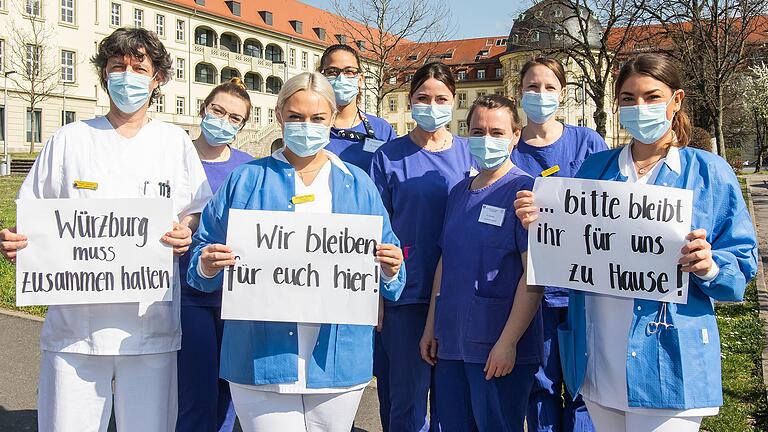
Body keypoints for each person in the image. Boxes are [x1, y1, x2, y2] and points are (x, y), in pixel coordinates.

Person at [514, 53, 758, 432]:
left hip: (667, 363)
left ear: (676, 101)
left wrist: (710, 266)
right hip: (597, 363)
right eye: (628, 98)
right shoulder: (597, 169)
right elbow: (572, 242)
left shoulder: (708, 173)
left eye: (651, 96)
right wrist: (542, 224)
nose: (639, 107)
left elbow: (742, 264)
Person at [0, 27, 212, 431]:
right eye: (118, 67)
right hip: (76, 328)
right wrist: (15, 241)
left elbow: (195, 211)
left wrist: (186, 230)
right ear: (104, 75)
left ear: (157, 79)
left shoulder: (174, 143)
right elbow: (33, 215)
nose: (127, 76)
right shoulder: (69, 139)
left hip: (149, 325)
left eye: (139, 67)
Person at [186, 71, 406, 432]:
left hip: (337, 359)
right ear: (278, 117)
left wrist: (391, 267)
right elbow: (200, 264)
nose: (307, 126)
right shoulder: (245, 180)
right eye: (296, 117)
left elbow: (393, 272)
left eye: (317, 118)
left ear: (332, 119)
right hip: (259, 357)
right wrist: (208, 264)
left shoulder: (358, 185)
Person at [420, 95, 544, 431]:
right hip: (452, 343)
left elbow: (534, 275)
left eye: (497, 132)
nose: (486, 139)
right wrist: (432, 325)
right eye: (478, 131)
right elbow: (447, 263)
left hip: (496, 347)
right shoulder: (459, 192)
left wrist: (508, 343)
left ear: (515, 136)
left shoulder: (526, 193)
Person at [370, 61, 475, 432]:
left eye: (441, 98)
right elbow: (375, 228)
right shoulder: (388, 156)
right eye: (423, 97)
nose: (432, 105)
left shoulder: (471, 153)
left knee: (453, 402)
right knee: (407, 400)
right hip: (407, 294)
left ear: (453, 101)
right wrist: (378, 298)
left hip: (461, 294)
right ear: (411, 100)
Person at [511, 57, 606, 432]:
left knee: (587, 387)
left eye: (549, 87)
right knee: (540, 386)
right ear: (519, 93)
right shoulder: (510, 148)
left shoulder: (588, 143)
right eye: (532, 87)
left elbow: (612, 207)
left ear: (562, 94)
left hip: (586, 290)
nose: (540, 95)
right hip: (533, 291)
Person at [176, 77, 255, 432]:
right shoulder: (174, 155)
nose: (223, 121)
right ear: (203, 109)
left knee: (229, 392)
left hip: (237, 295)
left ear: (242, 125)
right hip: (184, 291)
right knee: (194, 391)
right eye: (217, 110)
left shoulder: (248, 167)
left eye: (234, 117)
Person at [319, 44, 397, 171]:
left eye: (349, 71)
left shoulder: (382, 129)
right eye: (332, 72)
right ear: (321, 77)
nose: (341, 78)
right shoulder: (312, 128)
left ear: (360, 79)